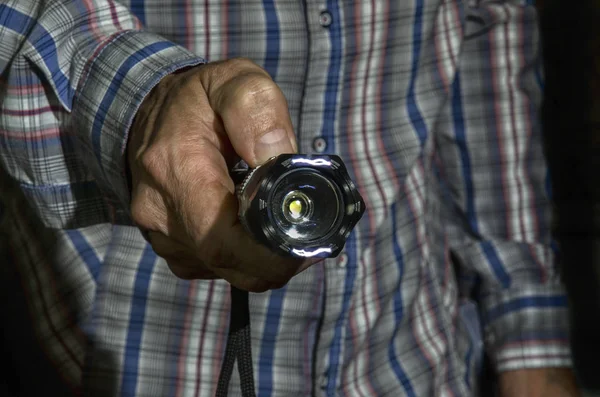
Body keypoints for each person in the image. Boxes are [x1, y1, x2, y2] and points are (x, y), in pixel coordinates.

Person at [0, 0, 580, 395]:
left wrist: (531, 341)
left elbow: (488, 36)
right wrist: (145, 106)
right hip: (139, 348)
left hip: (410, 352)